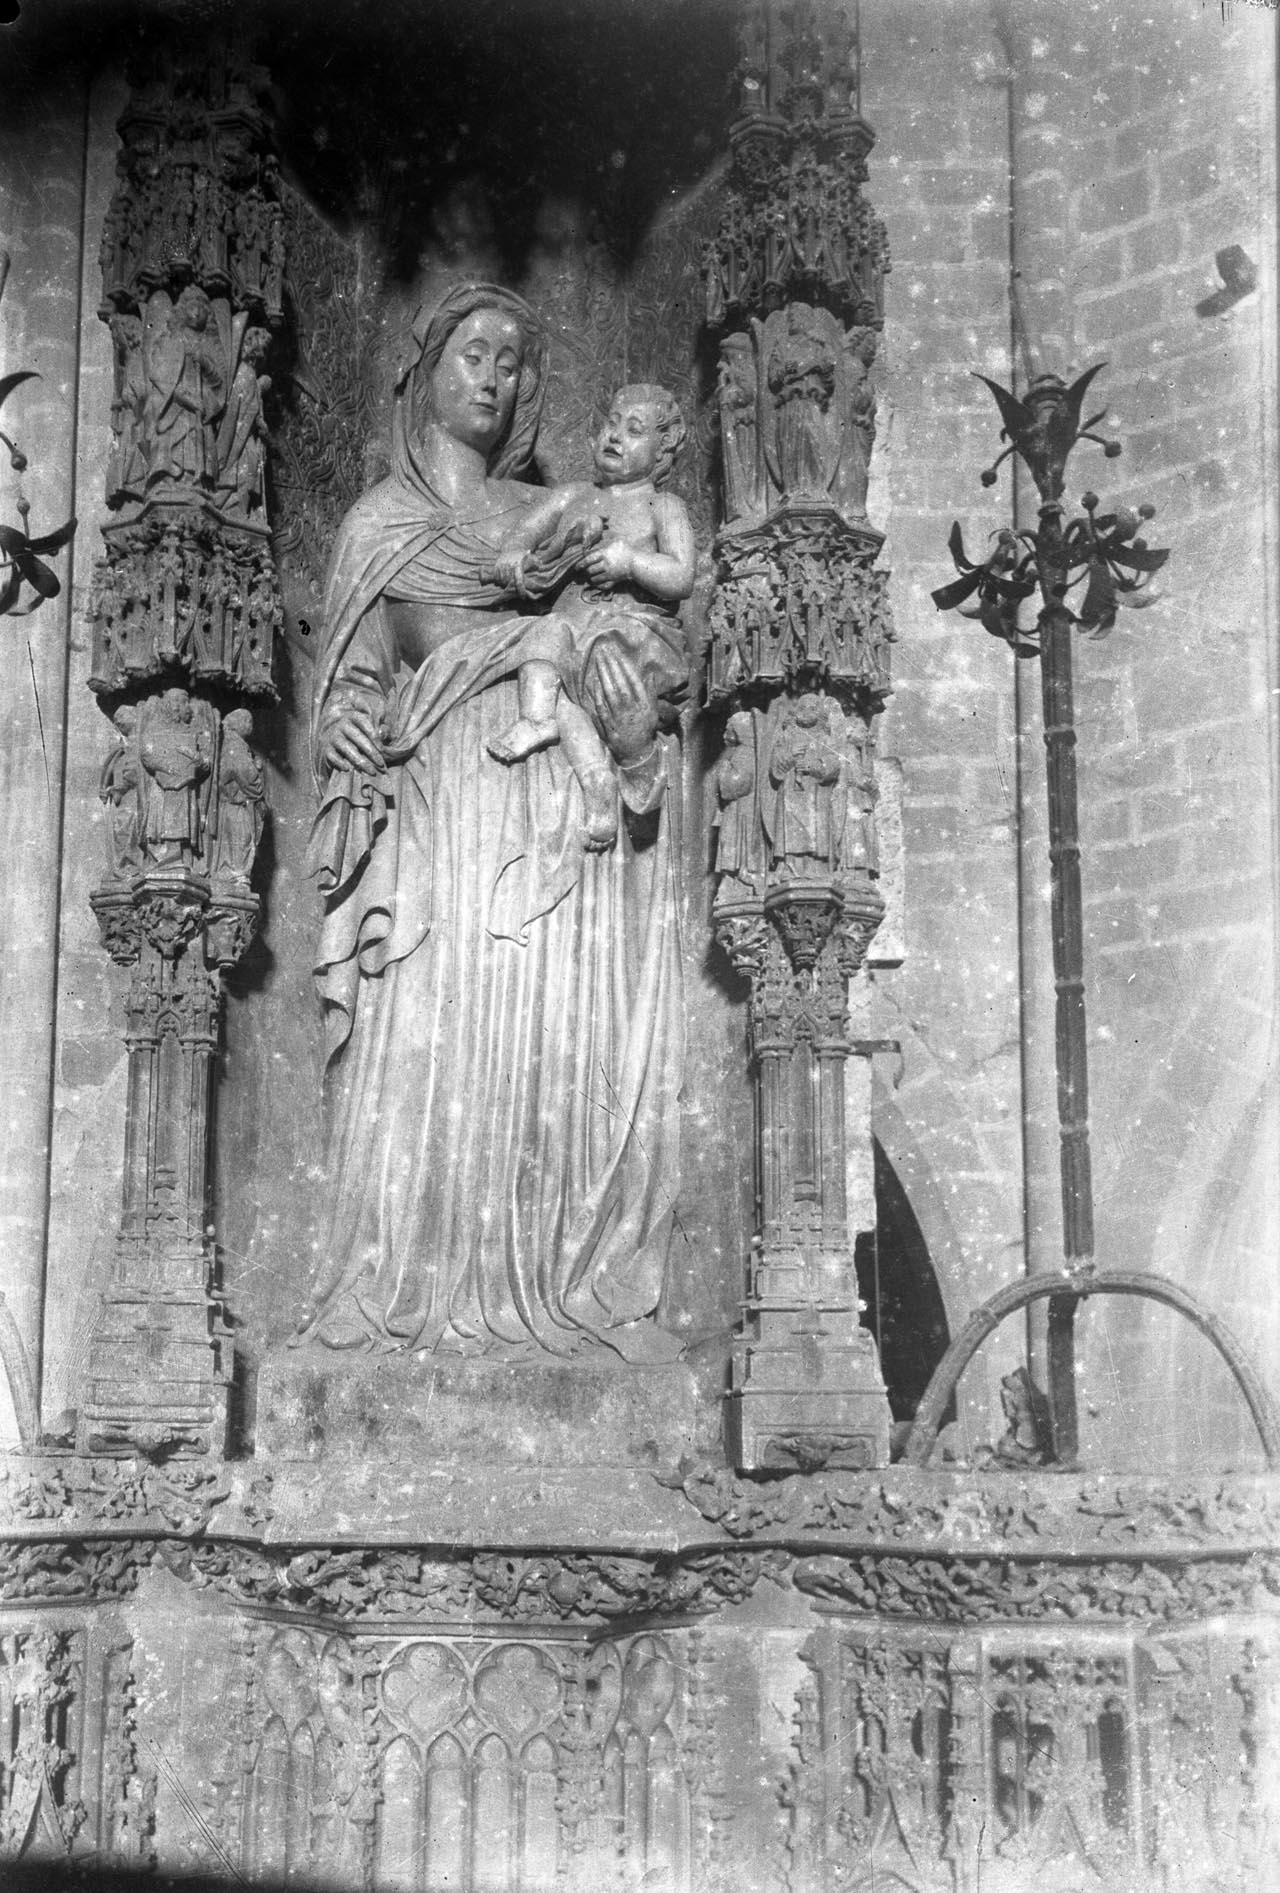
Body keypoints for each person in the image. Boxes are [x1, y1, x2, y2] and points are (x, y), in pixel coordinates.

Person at [296, 283, 687, 1362]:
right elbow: (354, 679)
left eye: (514, 362)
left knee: (541, 1047)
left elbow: (625, 645)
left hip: (548, 824)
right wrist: (344, 729)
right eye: (475, 352)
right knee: (431, 1047)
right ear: (424, 370)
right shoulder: (376, 525)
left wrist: (632, 719)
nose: (494, 376)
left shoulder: (556, 514)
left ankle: (547, 1283)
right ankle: (407, 1289)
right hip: (435, 817)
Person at [483, 385, 695, 851]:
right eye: (611, 423)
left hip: (636, 634)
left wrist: (632, 562)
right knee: (542, 640)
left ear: (661, 454)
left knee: (602, 655)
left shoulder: (663, 507)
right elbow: (524, 532)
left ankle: (640, 769)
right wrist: (516, 554)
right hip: (573, 629)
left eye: (634, 430)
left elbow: (681, 575)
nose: (615, 436)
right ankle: (583, 768)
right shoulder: (573, 496)